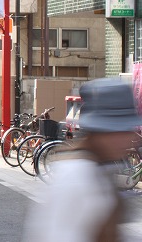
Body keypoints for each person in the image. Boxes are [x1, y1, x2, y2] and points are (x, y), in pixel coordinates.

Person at [23, 78, 142, 242]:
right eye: (119, 130)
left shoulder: (100, 169)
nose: (128, 138)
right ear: (99, 132)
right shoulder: (76, 178)